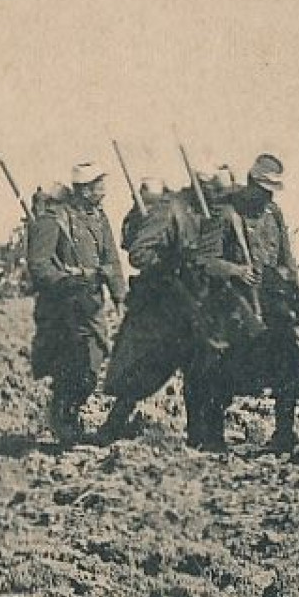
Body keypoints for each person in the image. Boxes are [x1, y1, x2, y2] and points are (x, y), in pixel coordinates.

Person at [192, 154, 299, 454]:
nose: (267, 196)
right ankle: (213, 438)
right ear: (250, 183)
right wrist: (236, 270)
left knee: (290, 364)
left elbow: (286, 259)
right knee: (223, 371)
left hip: (270, 305)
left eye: (272, 190)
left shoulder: (273, 213)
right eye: (263, 189)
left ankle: (284, 433)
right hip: (233, 306)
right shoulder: (224, 213)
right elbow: (204, 261)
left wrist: (295, 295)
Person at [98, 178, 211, 443]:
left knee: (199, 371)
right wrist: (174, 263)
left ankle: (198, 434)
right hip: (165, 304)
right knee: (146, 367)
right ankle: (113, 427)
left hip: (199, 303)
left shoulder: (212, 212)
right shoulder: (170, 209)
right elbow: (139, 254)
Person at [26, 162, 126, 444]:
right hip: (61, 308)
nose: (103, 190)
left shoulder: (99, 218)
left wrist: (119, 296)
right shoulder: (54, 219)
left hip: (90, 304)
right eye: (98, 185)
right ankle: (64, 420)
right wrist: (66, 279)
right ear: (84, 189)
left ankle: (68, 413)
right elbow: (39, 265)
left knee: (92, 364)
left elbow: (112, 261)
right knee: (71, 364)